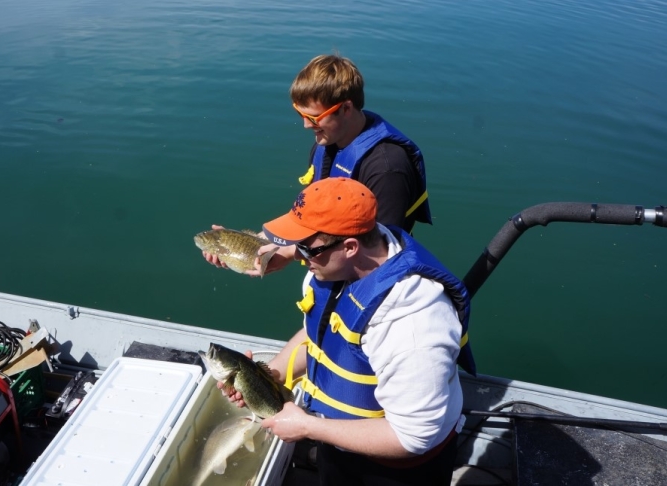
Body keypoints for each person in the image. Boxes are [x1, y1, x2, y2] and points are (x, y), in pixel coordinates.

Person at [224, 177, 475, 486]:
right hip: (337, 440)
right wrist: (267, 376)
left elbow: (414, 436)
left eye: (306, 246)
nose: (296, 255)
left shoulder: (412, 324)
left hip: (396, 469)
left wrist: (306, 428)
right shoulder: (333, 265)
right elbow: (321, 336)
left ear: (350, 246)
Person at [203, 54, 432, 276]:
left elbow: (376, 250)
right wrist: (254, 242)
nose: (305, 125)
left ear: (346, 108)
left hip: (366, 280)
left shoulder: (387, 168)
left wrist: (294, 250)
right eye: (299, 113)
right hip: (326, 267)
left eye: (313, 117)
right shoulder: (327, 141)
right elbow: (314, 214)